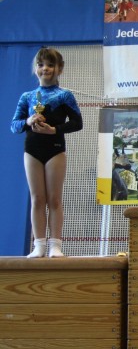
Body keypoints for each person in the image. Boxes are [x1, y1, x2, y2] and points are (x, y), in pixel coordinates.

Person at [10, 47, 83, 258]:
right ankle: (39, 244)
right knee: (37, 198)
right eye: (41, 65)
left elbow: (78, 123)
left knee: (54, 199)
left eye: (51, 65)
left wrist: (55, 130)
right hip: (32, 150)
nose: (45, 69)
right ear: (35, 69)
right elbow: (13, 126)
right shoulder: (27, 97)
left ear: (59, 69)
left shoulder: (64, 96)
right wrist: (28, 120)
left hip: (55, 149)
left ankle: (55, 245)